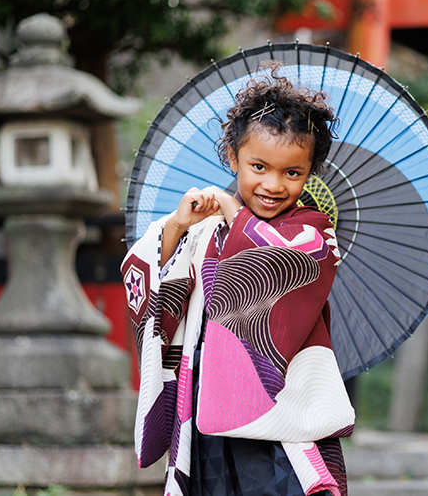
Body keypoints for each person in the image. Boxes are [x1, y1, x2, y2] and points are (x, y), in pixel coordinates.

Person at [121, 63, 353, 496]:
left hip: (281, 409)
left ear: (309, 172)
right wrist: (177, 225)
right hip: (207, 400)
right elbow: (156, 284)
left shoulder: (312, 230)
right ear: (233, 157)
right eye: (259, 166)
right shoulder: (206, 227)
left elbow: (280, 262)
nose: (273, 184)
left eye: (292, 172)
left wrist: (234, 213)